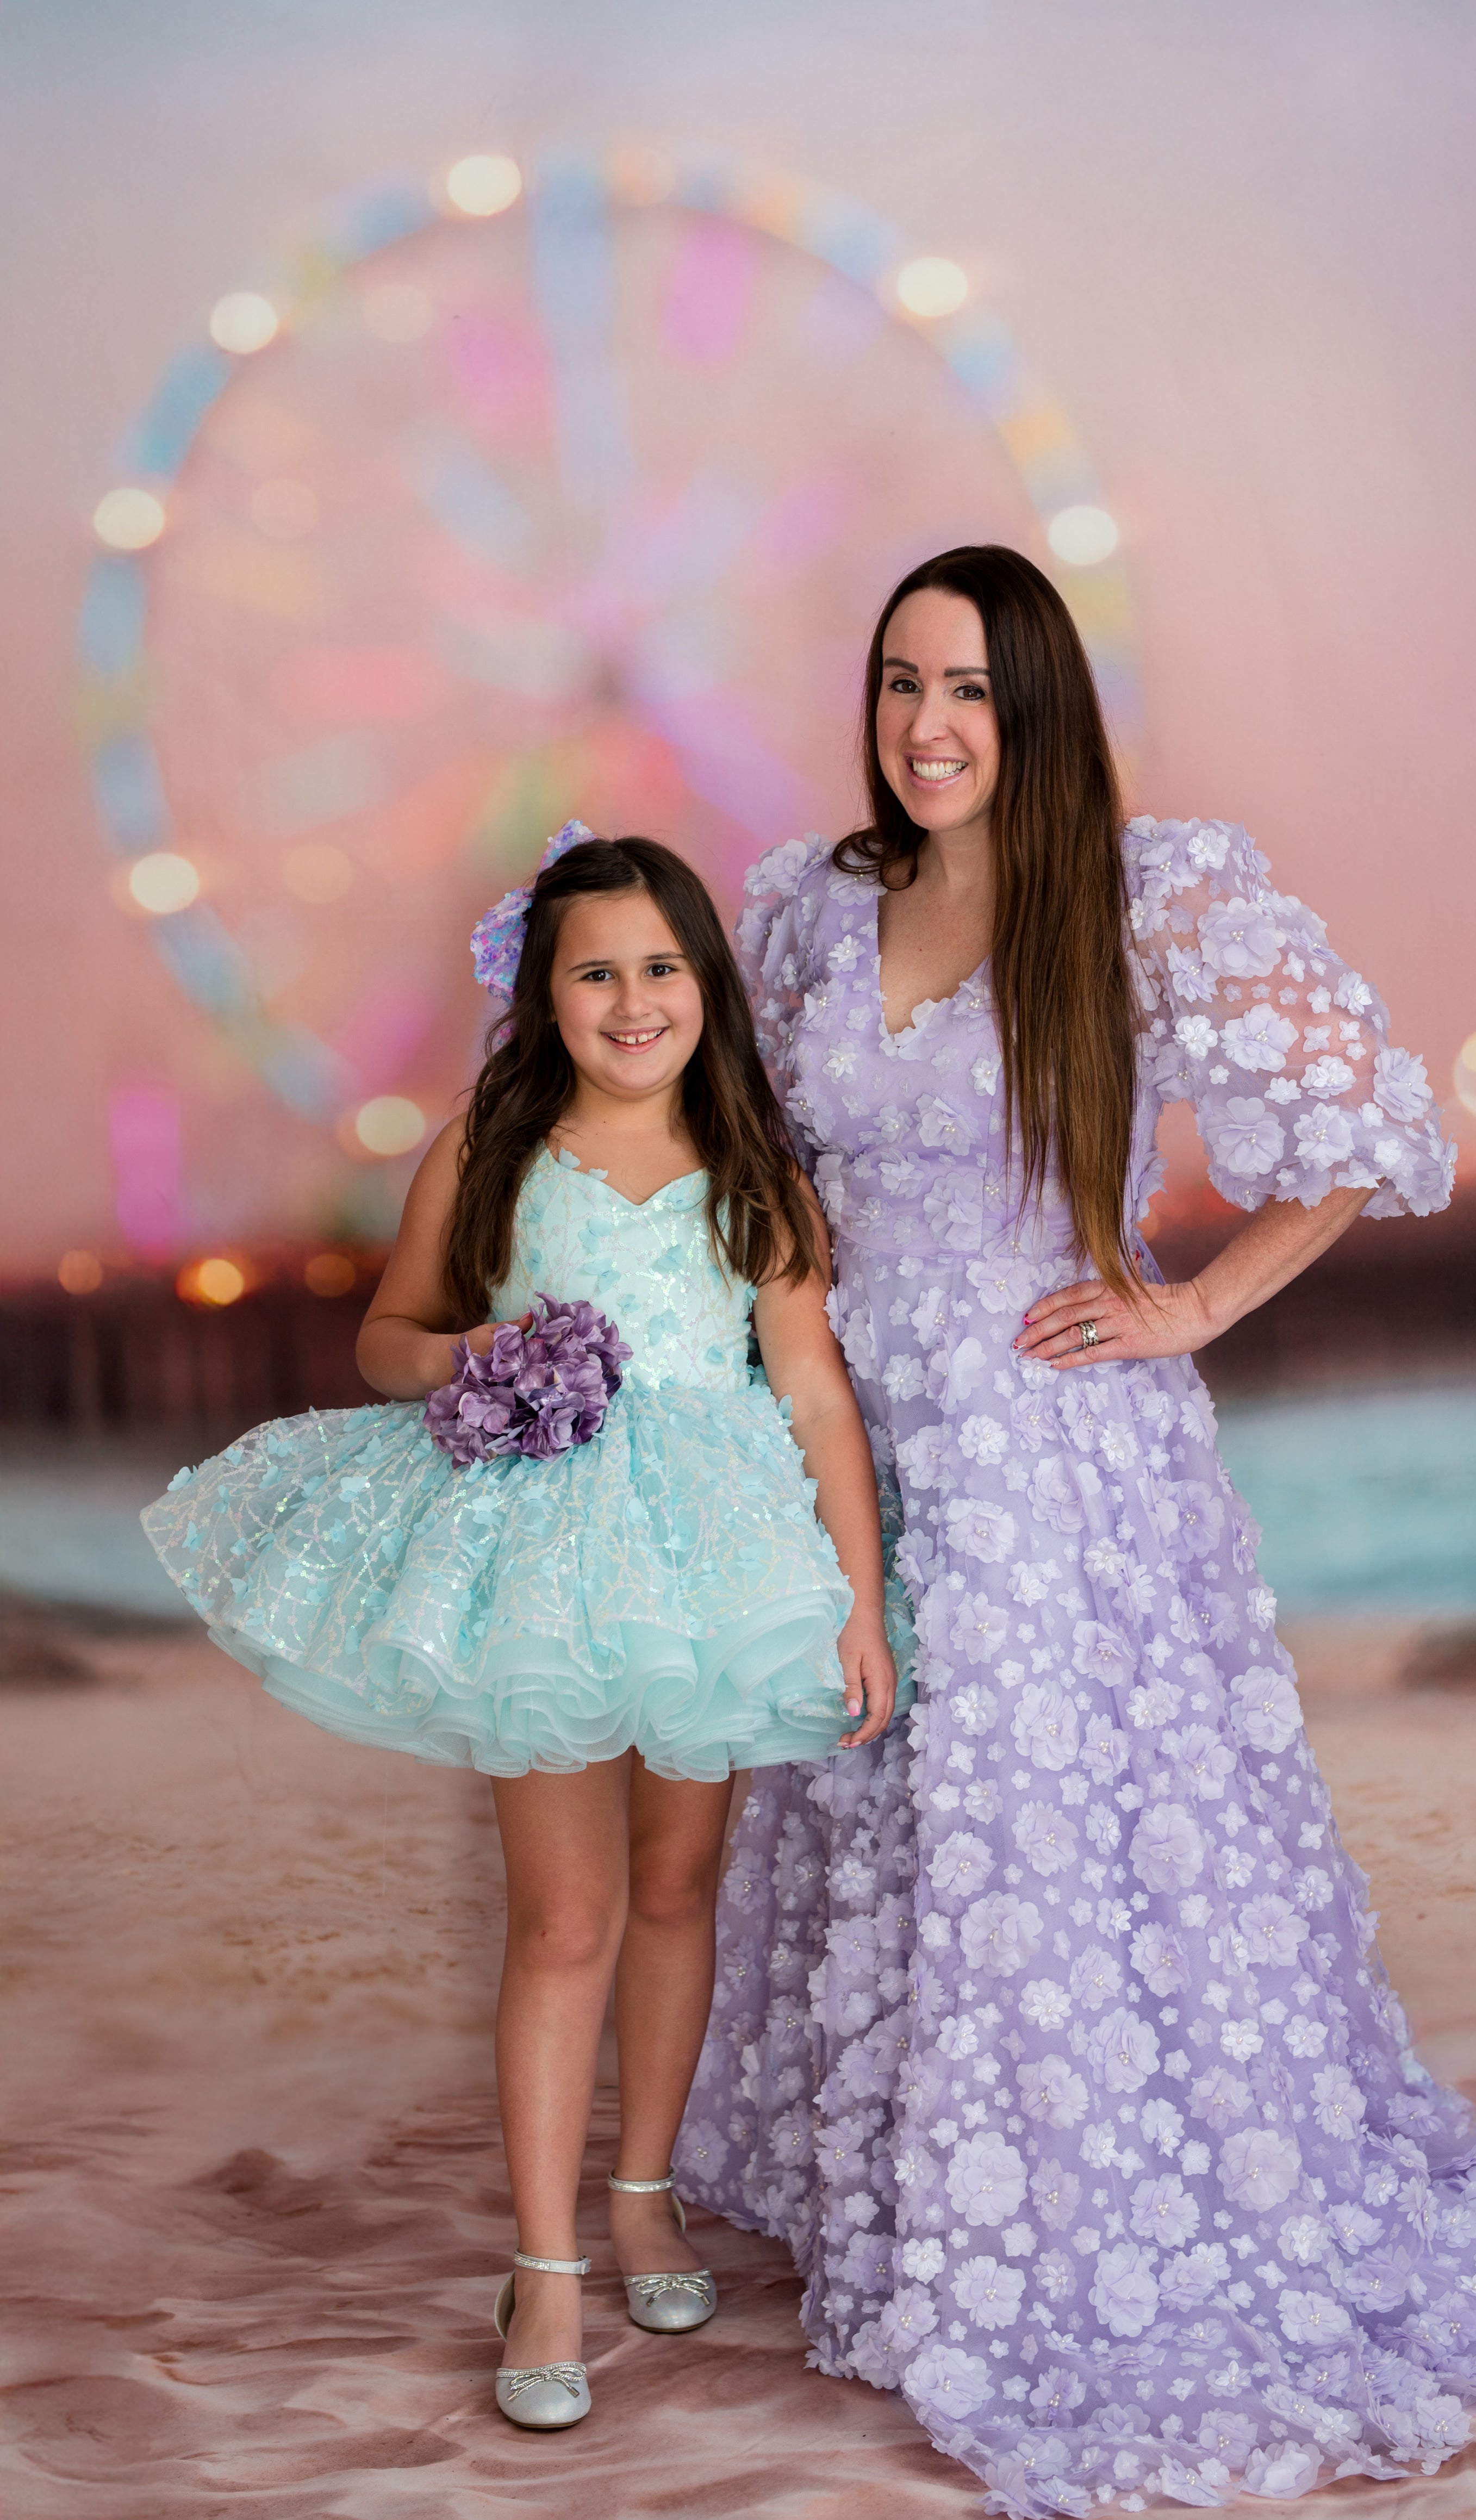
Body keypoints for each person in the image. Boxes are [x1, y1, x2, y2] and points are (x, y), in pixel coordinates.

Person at [676, 548, 1476, 2513]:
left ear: (1037, 707)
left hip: (1052, 1454)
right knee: (877, 1798)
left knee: (1040, 1842)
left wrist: (1190, 1302)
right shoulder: (802, 905)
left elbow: (1369, 1124)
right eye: (897, 684)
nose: (929, 726)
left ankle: (1064, 2212)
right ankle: (894, 2184)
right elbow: (743, 1156)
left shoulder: (1141, 892)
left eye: (970, 689)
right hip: (851, 1432)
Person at [142, 826, 906, 2435]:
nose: (633, 1001)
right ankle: (547, 2260)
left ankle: (643, 2194)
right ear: (542, 997)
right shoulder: (491, 1150)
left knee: (681, 1881)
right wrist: (472, 1358)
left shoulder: (757, 1170)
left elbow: (814, 1387)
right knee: (566, 1915)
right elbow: (381, 1336)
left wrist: (858, 1597)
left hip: (713, 1549)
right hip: (544, 1555)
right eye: (595, 972)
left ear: (706, 983)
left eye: (660, 967)